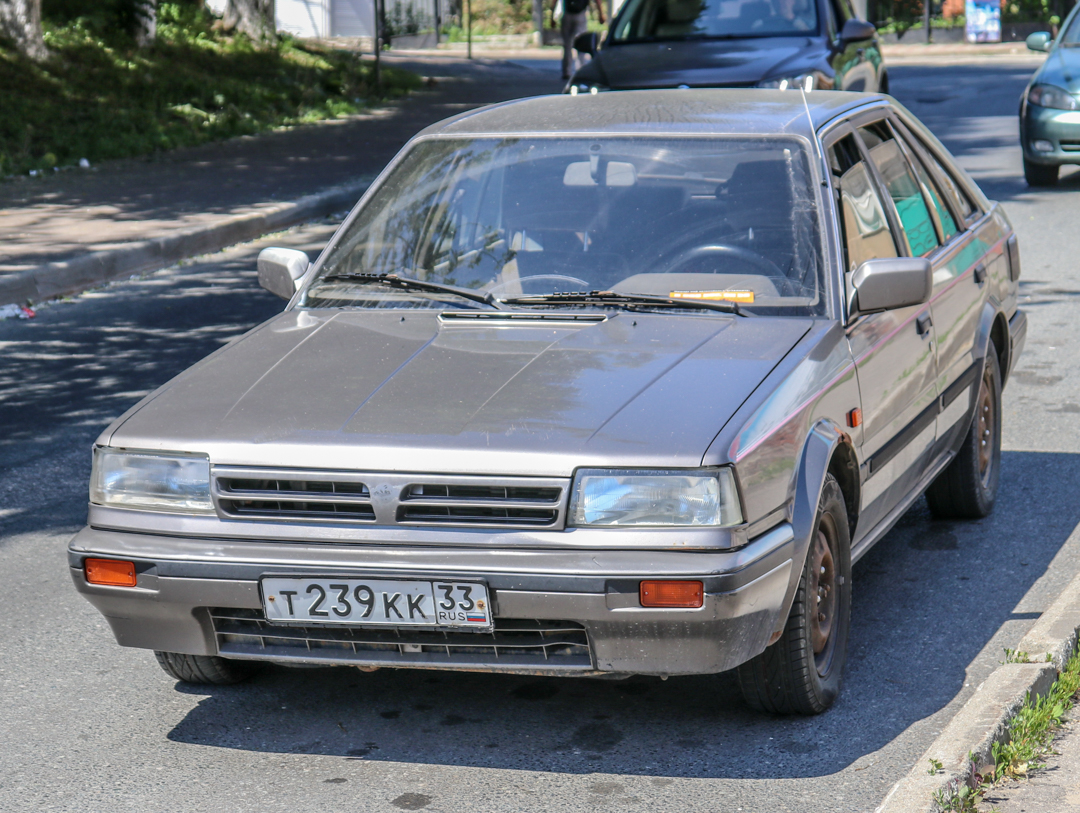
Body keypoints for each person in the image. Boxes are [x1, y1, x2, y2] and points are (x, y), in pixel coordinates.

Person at [561, 0, 591, 81]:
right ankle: (580, 69)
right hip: (581, 14)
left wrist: (552, 14)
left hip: (567, 14)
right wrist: (600, 13)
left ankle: (567, 71)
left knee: (567, 45)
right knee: (581, 43)